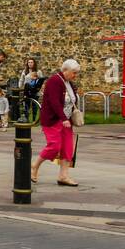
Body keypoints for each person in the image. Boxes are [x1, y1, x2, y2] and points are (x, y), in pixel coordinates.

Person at [33, 59, 81, 187]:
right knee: (54, 146)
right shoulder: (54, 81)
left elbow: (71, 100)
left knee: (68, 148)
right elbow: (54, 102)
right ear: (65, 70)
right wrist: (63, 118)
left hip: (66, 121)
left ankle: (63, 176)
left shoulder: (68, 83)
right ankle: (34, 166)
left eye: (76, 73)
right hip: (53, 120)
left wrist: (68, 118)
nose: (75, 76)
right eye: (74, 73)